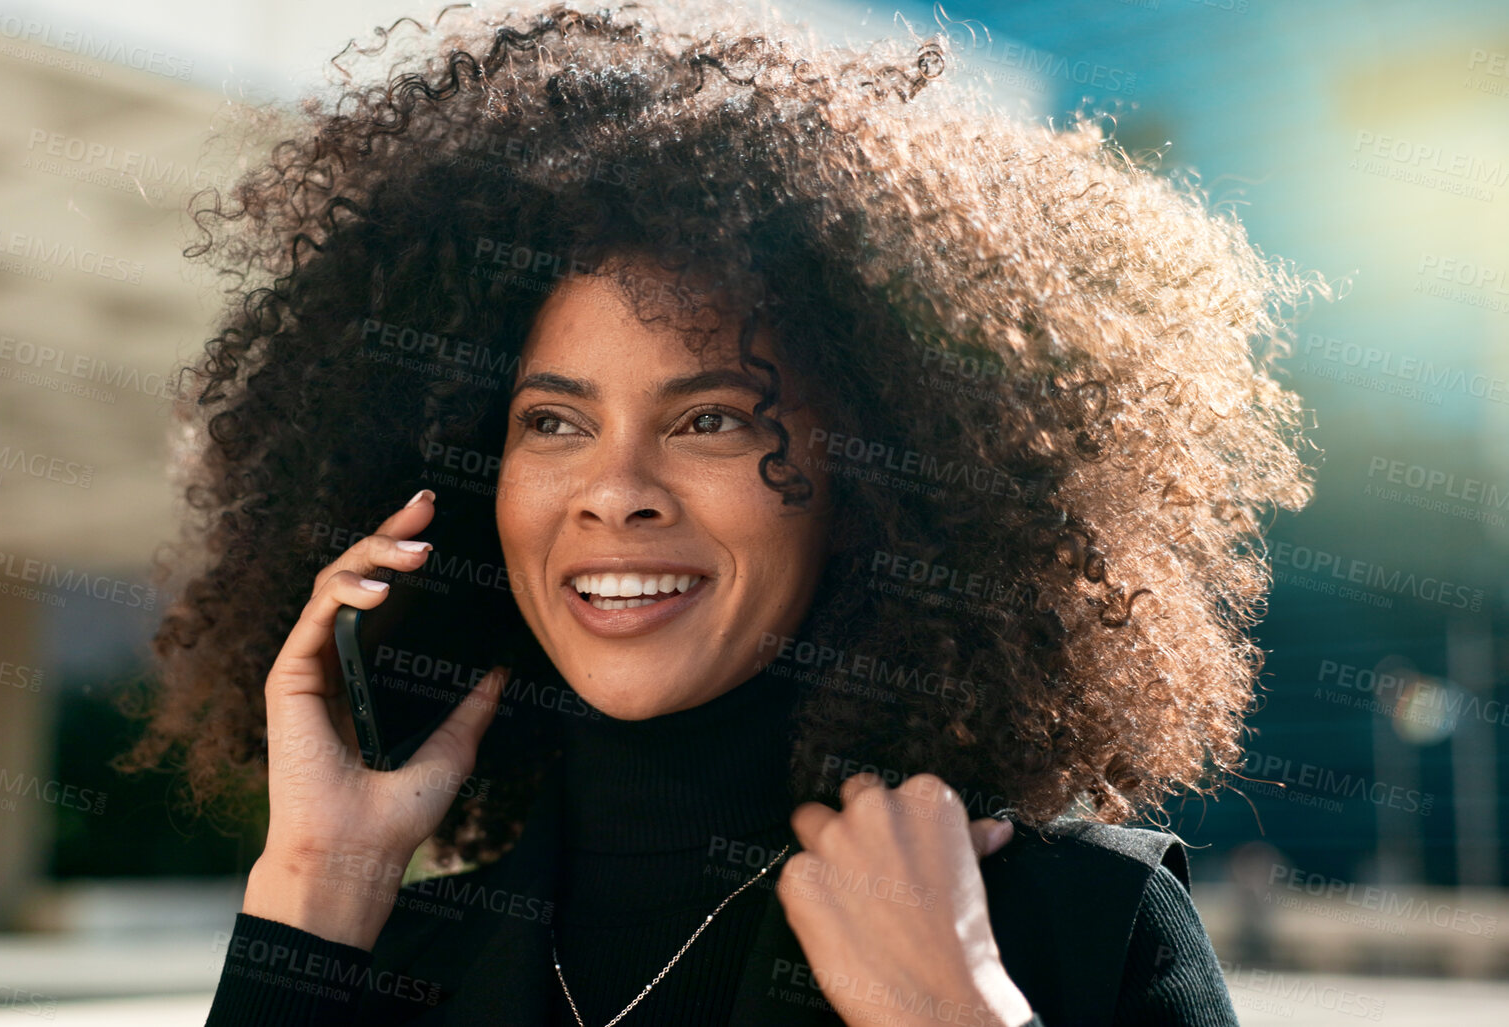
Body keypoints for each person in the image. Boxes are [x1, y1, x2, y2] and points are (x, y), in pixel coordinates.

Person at [120, 2, 1317, 1023]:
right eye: (553, 422)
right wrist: (317, 878)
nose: (618, 491)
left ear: (874, 480)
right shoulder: (370, 957)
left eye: (711, 420)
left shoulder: (1072, 925)